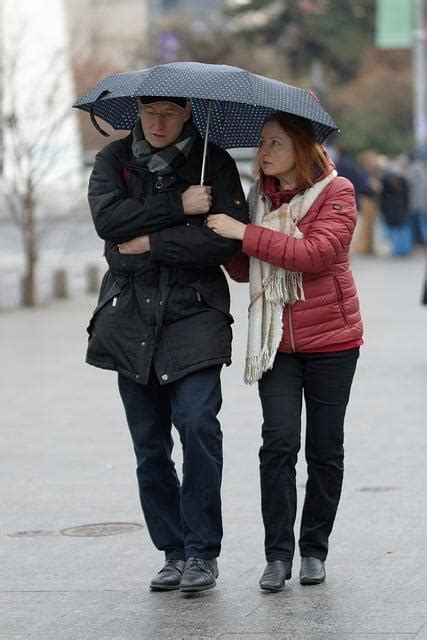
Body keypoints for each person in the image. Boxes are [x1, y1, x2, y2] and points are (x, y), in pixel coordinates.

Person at [86, 95, 248, 593]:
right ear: (137, 109)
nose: (158, 122)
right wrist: (179, 207)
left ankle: (202, 551)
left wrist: (152, 242)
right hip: (130, 320)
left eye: (170, 113)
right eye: (150, 111)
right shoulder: (113, 160)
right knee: (150, 445)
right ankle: (173, 551)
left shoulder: (213, 162)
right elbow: (110, 230)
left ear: (188, 114)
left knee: (198, 426)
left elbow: (225, 241)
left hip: (195, 315)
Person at [207, 112, 363, 592]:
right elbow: (243, 270)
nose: (264, 152)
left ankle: (314, 549)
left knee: (324, 448)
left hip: (333, 341)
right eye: (262, 143)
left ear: (301, 145)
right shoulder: (257, 198)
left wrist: (243, 234)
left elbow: (316, 254)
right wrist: (220, 230)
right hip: (275, 344)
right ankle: (277, 555)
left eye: (275, 143)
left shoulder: (337, 192)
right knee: (278, 444)